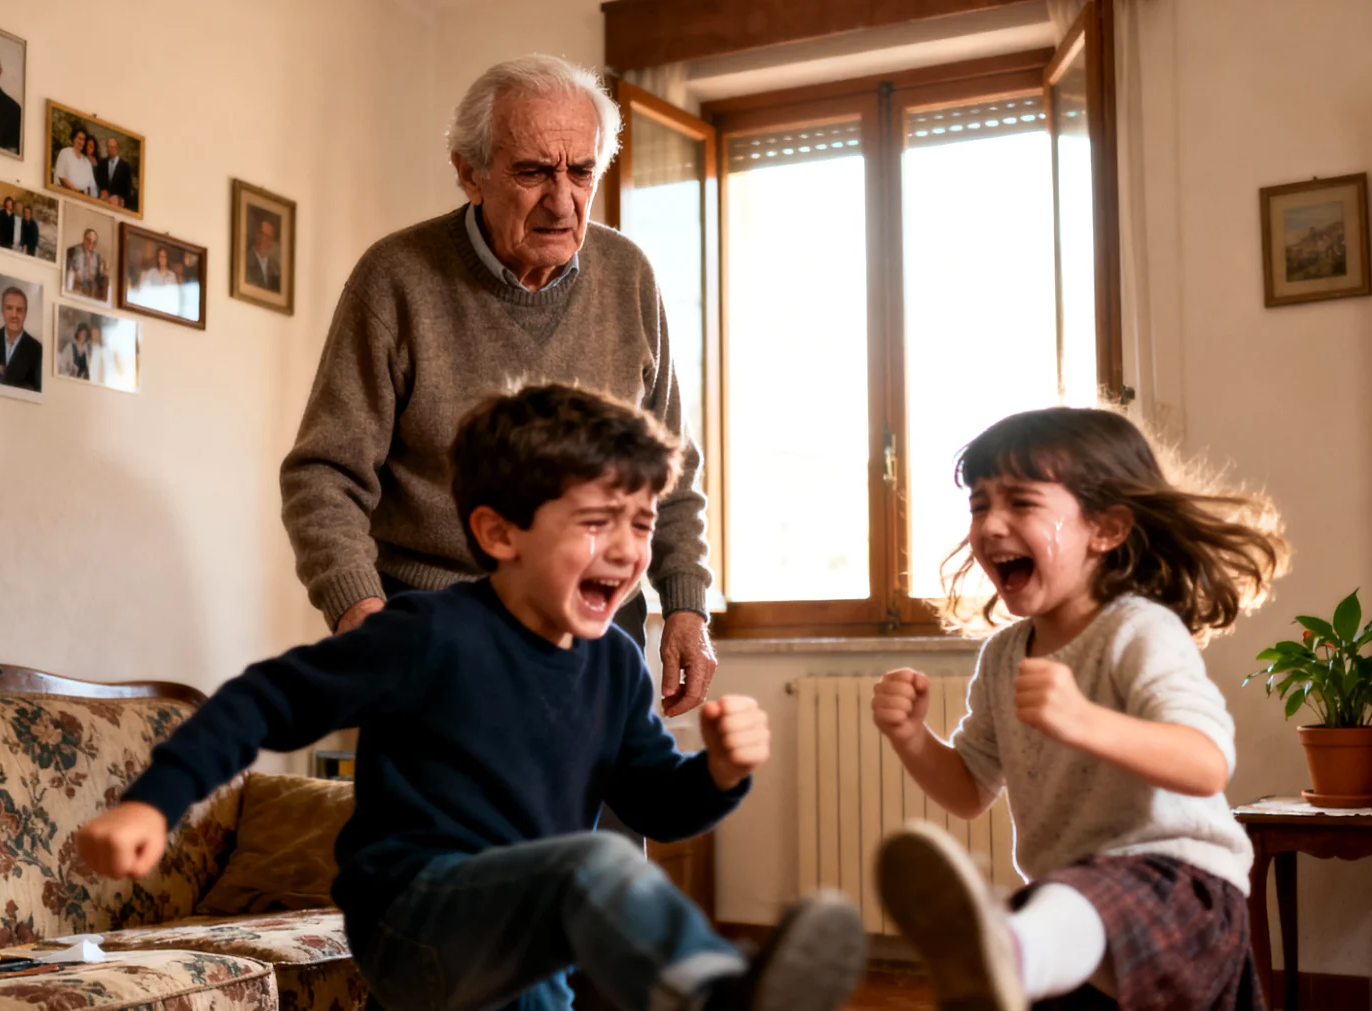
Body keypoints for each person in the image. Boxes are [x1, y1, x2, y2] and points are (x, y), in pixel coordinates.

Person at [79, 385, 867, 1011]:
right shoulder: (429, 635)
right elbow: (265, 699)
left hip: (530, 947)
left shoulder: (618, 664)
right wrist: (155, 801)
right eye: (597, 522)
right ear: (498, 534)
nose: (627, 549)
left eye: (642, 521)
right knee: (594, 866)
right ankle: (723, 993)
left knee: (584, 878)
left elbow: (657, 799)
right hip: (415, 921)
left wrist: (720, 771)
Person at [282, 55, 718, 719]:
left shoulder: (629, 276)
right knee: (457, 825)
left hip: (597, 624)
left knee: (612, 822)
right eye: (534, 171)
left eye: (581, 170)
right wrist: (361, 613)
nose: (563, 198)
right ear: (469, 172)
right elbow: (324, 474)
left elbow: (670, 472)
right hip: (441, 626)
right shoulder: (395, 279)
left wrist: (686, 604)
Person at [868, 407, 1288, 1010]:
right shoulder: (1004, 657)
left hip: (1178, 890)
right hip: (1067, 914)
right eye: (980, 504)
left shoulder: (1138, 631)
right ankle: (1011, 956)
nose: (990, 525)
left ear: (1107, 529)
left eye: (1021, 502)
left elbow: (1207, 765)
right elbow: (968, 791)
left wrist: (1086, 721)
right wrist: (911, 735)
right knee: (1054, 908)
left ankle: (1010, 953)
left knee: (1072, 904)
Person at [0, 286, 42, 389]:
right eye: (9, 308)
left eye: (19, 310)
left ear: (25, 313)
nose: (14, 315)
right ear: (2, 311)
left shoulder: (36, 349)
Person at [53, 126, 96, 198]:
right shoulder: (65, 153)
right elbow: (60, 176)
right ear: (73, 139)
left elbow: (91, 186)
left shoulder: (87, 163)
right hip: (64, 195)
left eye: (83, 140)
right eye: (79, 138)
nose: (81, 142)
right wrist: (75, 190)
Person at [66, 227, 107, 300]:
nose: (91, 244)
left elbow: (98, 278)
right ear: (84, 239)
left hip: (90, 291)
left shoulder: (97, 257)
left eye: (94, 242)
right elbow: (69, 271)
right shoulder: (72, 251)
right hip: (76, 288)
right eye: (89, 241)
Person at [95, 136, 134, 210]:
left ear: (117, 148)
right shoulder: (102, 163)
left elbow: (127, 189)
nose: (111, 149)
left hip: (117, 206)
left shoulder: (125, 166)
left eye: (113, 147)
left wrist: (118, 198)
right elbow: (98, 181)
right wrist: (102, 191)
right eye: (109, 147)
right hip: (102, 203)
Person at [245, 217, 281, 292]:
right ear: (257, 236)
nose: (269, 243)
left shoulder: (275, 267)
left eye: (271, 239)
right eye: (266, 237)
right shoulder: (246, 261)